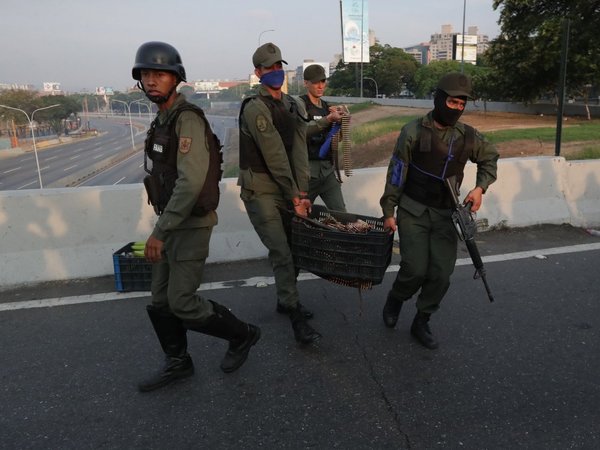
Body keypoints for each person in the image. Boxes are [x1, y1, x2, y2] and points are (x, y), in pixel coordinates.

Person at [133, 41, 260, 392]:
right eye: (146, 74)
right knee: (160, 301)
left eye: (159, 74)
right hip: (170, 223)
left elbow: (189, 184)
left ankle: (243, 334)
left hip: (188, 224)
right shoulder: (163, 119)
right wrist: (161, 228)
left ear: (176, 79)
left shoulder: (187, 118)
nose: (152, 80)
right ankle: (178, 362)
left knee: (183, 302)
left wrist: (158, 233)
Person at [379, 72, 499, 349]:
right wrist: (388, 212)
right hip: (413, 210)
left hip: (447, 213)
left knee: (441, 273)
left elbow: (490, 158)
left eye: (462, 104)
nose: (456, 108)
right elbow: (396, 174)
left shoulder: (468, 136)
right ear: (439, 99)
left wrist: (480, 188)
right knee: (414, 268)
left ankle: (422, 319)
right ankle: (396, 298)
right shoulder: (413, 131)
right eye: (452, 102)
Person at [238, 42, 321, 345]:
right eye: (269, 68)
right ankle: (296, 317)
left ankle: (285, 299)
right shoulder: (255, 108)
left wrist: (302, 191)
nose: (276, 72)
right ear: (258, 73)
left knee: (295, 249)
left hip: (287, 188)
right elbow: (274, 157)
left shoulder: (293, 105)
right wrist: (293, 196)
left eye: (279, 67)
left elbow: (299, 151)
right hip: (261, 190)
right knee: (282, 252)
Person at [296, 64, 346, 212]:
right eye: (316, 82)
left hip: (327, 171)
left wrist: (341, 122)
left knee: (341, 214)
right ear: (306, 83)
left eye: (323, 81)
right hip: (307, 173)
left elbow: (337, 140)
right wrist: (328, 119)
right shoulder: (300, 104)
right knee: (299, 216)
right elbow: (301, 130)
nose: (320, 86)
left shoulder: (326, 106)